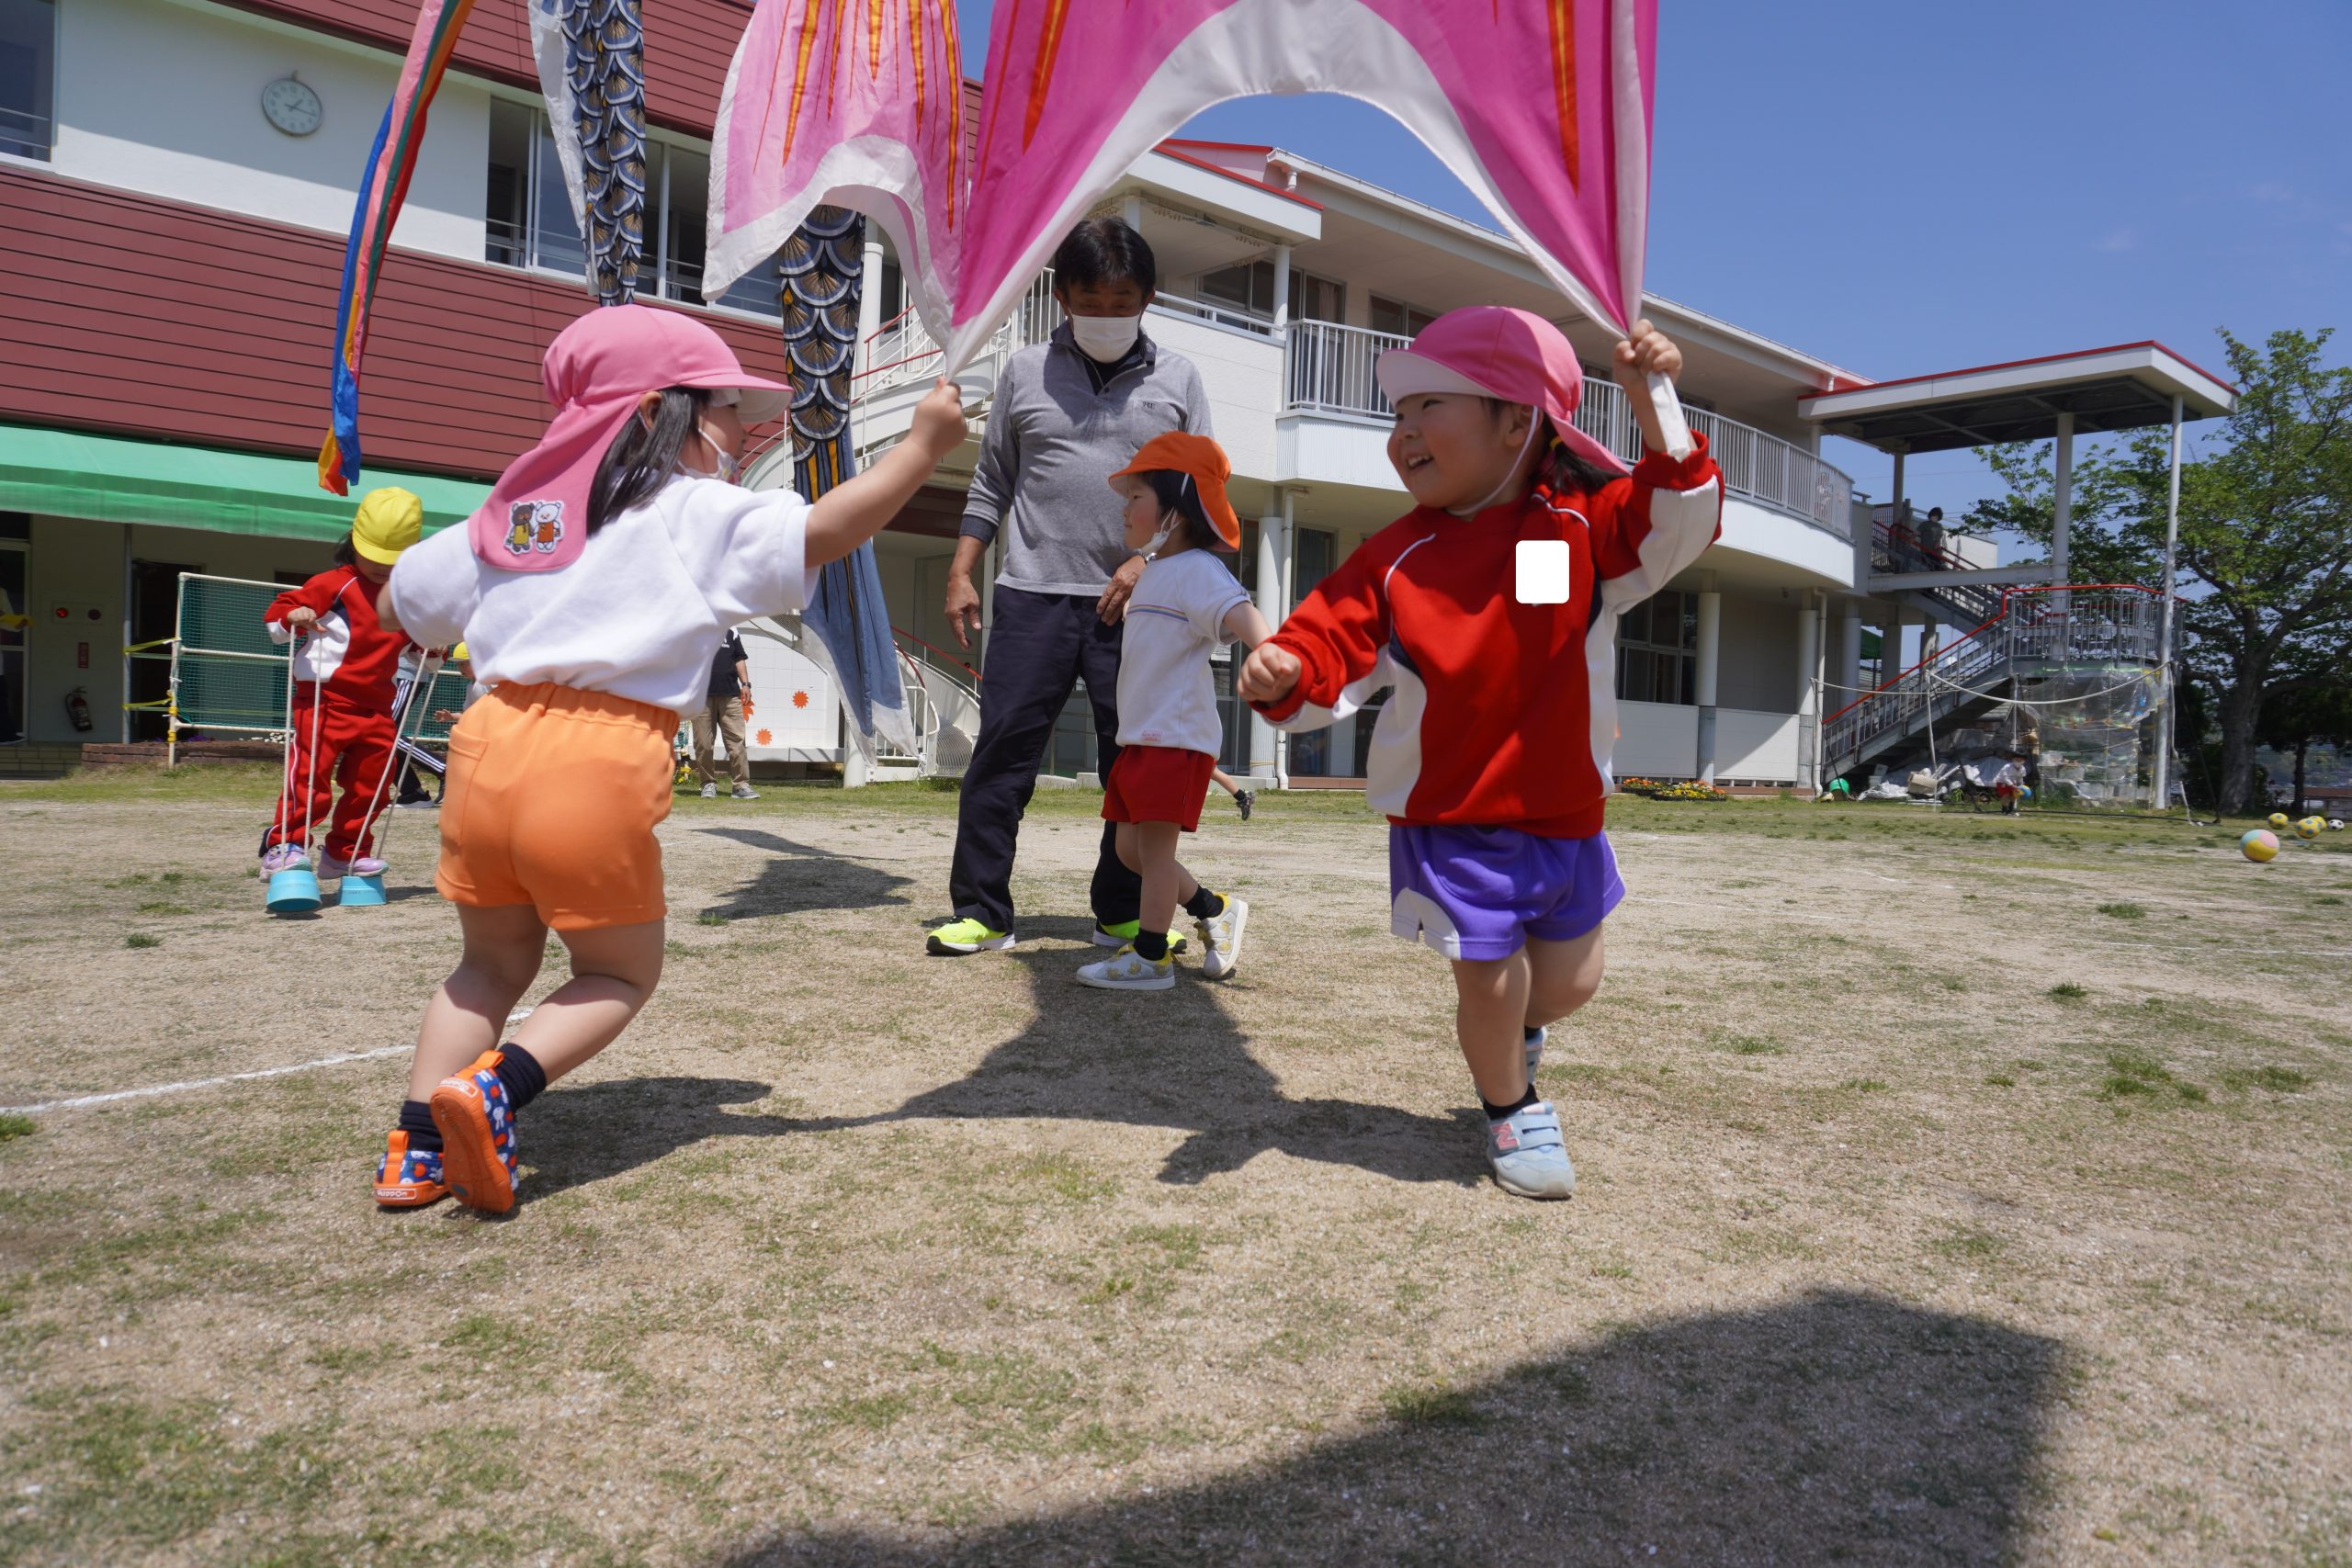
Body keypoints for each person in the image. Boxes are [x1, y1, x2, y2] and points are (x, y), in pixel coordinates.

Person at [372, 303, 967, 1213]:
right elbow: (825, 531)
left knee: (486, 969)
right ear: (655, 413)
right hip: (598, 758)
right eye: (724, 406)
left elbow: (402, 603)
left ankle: (413, 1153)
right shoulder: (687, 510)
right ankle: (492, 1091)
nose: (743, 427)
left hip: (485, 747)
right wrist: (922, 449)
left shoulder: (514, 518)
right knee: (617, 973)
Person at [1238, 307, 1723, 1201]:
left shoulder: (1575, 530)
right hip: (1452, 816)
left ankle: (1506, 1040)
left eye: (1430, 405)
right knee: (1492, 982)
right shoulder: (1396, 558)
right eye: (1399, 414)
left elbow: (1674, 526)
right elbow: (1328, 644)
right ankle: (1511, 1106)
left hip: (1565, 811)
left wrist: (1656, 402)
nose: (1405, 431)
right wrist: (1283, 671)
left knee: (1571, 983)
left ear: (1516, 421)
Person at [927, 217, 1214, 957]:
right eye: (1092, 299)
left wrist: (1150, 559)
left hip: (1141, 605)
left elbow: (1203, 497)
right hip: (1030, 592)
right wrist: (963, 569)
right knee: (1002, 757)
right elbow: (992, 480)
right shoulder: (1022, 370)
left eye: (1123, 302)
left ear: (1149, 297)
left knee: (1135, 769)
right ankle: (984, 912)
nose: (1108, 316)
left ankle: (1120, 912)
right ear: (1062, 296)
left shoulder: (1179, 379)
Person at [1076, 434, 1271, 991]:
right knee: (1130, 850)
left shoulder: (1200, 571)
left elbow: (1243, 613)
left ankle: (1150, 957)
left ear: (1175, 508)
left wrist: (1275, 658)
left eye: (1136, 495)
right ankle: (1214, 908)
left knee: (1155, 854)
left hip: (1175, 738)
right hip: (1142, 737)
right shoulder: (1156, 570)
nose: (1124, 507)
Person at [258, 487, 421, 882]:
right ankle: (285, 846)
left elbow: (421, 646)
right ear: (354, 542)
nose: (383, 567)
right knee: (310, 778)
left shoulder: (406, 596)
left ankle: (345, 853)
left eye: (393, 560)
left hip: (378, 706)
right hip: (325, 700)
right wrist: (295, 615)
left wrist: (433, 648)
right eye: (374, 556)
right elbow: (277, 615)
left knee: (374, 786)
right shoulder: (334, 583)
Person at [693, 626, 758, 799]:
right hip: (700, 696)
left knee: (737, 741)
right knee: (703, 744)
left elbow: (739, 658)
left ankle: (741, 785)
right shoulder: (693, 627)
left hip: (731, 695)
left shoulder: (731, 629)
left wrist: (746, 684)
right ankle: (707, 784)